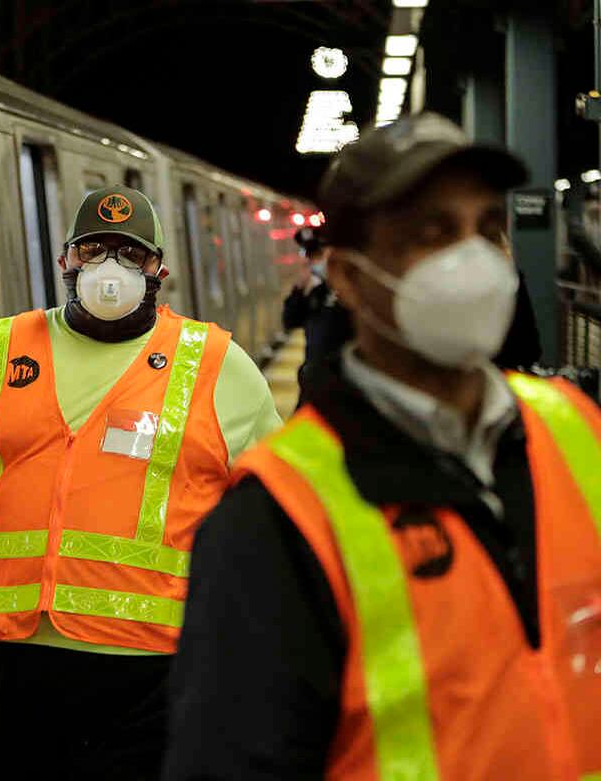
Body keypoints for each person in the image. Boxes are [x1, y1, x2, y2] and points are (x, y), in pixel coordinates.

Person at [163, 113, 601, 780]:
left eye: (487, 229)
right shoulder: (277, 517)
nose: (474, 259)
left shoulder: (575, 428)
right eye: (431, 233)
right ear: (347, 277)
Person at [0, 185, 281, 780]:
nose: (108, 267)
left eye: (128, 253)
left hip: (152, 663)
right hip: (10, 656)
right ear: (66, 261)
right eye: (92, 249)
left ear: (157, 268)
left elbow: (273, 491)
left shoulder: (216, 364)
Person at [281, 225, 353, 404]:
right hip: (316, 382)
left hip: (345, 386)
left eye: (320, 255)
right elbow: (290, 321)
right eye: (311, 257)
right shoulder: (316, 291)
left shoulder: (353, 292)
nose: (315, 262)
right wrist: (299, 289)